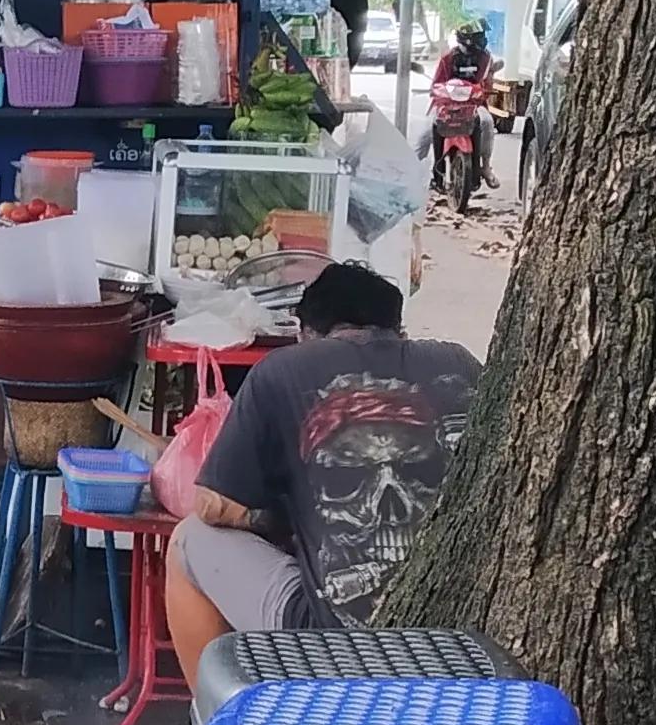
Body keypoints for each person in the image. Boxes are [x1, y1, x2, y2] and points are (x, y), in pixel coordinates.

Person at [161, 261, 482, 680]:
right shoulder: (460, 363)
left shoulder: (281, 370)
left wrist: (275, 516)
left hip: (330, 645)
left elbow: (212, 506)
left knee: (189, 540)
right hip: (458, 640)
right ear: (398, 331)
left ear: (303, 333)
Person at [422, 16, 497, 197]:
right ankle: (413, 171)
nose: (482, 38)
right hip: (446, 104)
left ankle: (485, 166)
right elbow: (436, 83)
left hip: (473, 104)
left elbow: (487, 83)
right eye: (478, 35)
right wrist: (440, 92)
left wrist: (484, 90)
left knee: (486, 122)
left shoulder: (485, 58)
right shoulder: (448, 58)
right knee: (425, 132)